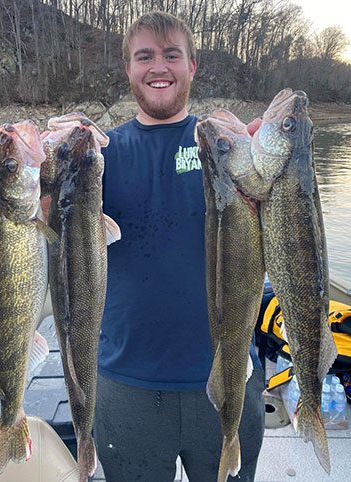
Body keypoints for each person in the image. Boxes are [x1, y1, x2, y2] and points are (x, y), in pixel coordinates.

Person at [94, 11, 265, 482]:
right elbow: (50, 229)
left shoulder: (228, 149)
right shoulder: (99, 154)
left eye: (172, 55)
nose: (158, 67)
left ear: (193, 66)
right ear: (127, 69)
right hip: (125, 380)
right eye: (143, 56)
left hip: (228, 375)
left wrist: (268, 180)